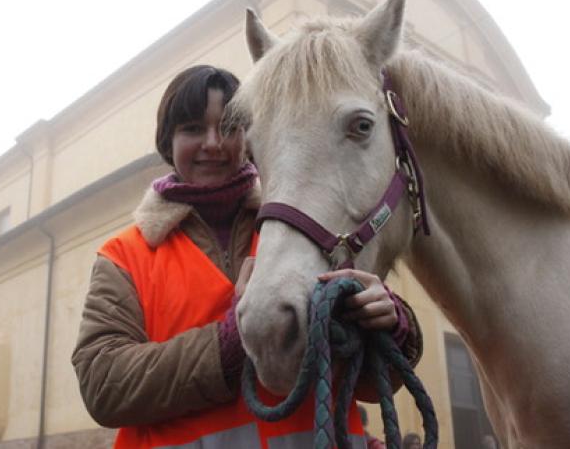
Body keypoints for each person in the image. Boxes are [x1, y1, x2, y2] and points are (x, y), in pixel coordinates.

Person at [72, 65, 423, 448]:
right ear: (167, 143)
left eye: (228, 127)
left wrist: (390, 326)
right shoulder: (125, 256)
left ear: (250, 137)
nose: (212, 143)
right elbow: (103, 385)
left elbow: (370, 383)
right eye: (192, 129)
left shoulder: (313, 229)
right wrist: (229, 344)